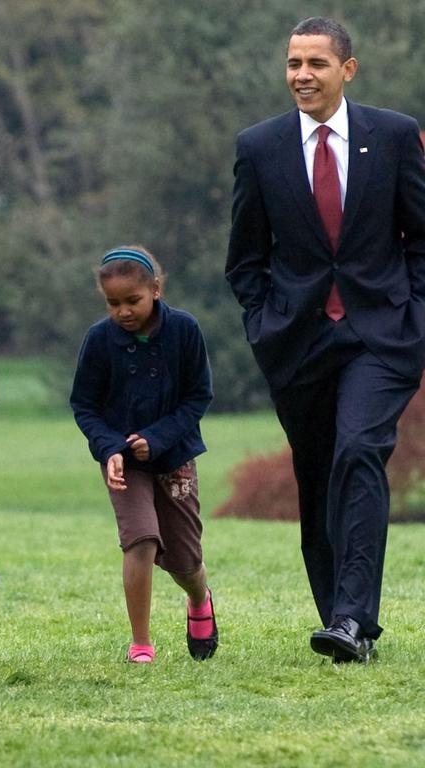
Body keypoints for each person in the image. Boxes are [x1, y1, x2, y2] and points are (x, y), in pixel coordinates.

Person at [227, 17, 425, 663]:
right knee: (318, 477)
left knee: (359, 452)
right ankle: (342, 623)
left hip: (382, 335)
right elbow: (245, 259)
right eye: (293, 64)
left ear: (348, 69)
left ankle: (350, 618)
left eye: (315, 63)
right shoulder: (259, 148)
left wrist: (414, 317)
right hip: (298, 340)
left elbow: (420, 238)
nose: (302, 76)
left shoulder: (393, 137)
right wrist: (264, 324)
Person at [71, 246, 218, 664]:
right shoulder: (99, 340)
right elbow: (84, 405)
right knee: (141, 540)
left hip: (174, 457)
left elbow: (198, 397)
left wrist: (157, 438)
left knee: (185, 560)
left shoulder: (185, 330)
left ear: (155, 289)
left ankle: (198, 598)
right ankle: (141, 643)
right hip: (122, 463)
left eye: (131, 301)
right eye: (113, 304)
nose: (123, 312)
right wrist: (110, 448)